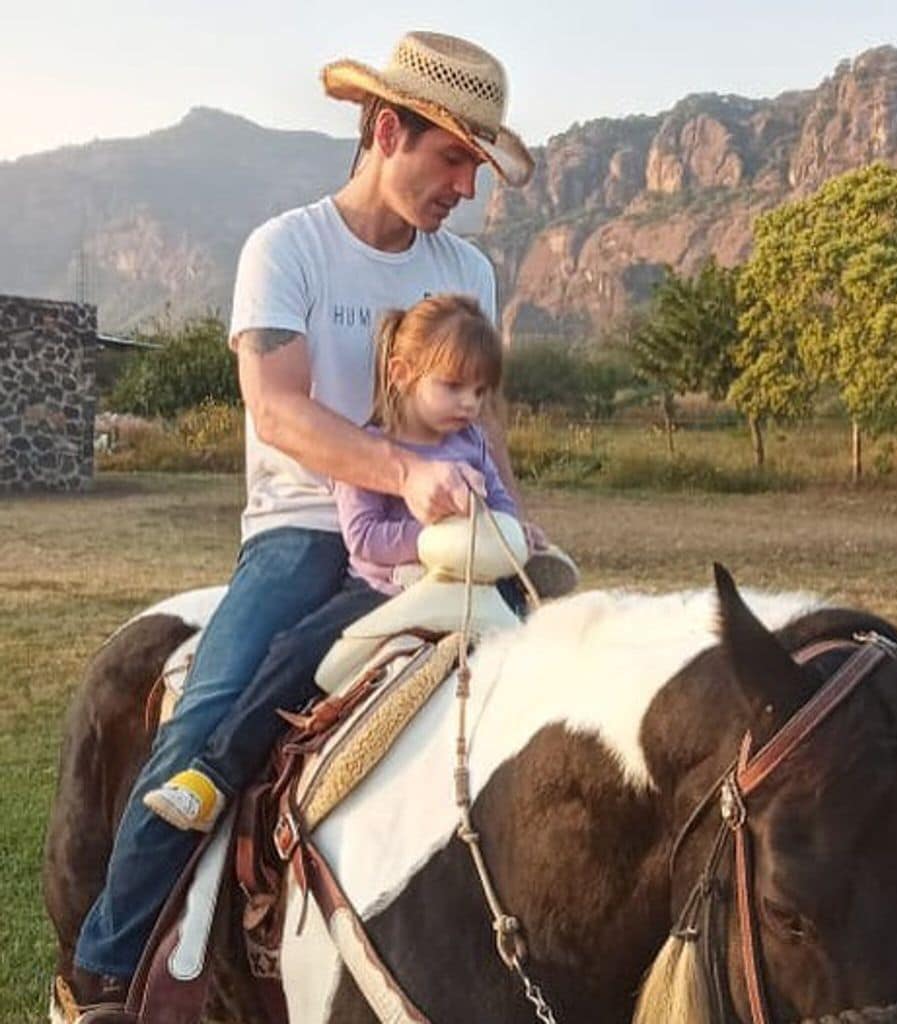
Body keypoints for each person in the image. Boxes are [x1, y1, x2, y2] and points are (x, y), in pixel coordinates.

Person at [69, 30, 536, 1010]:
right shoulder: (289, 249)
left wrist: (510, 528)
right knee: (208, 715)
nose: (467, 185)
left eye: (476, 164)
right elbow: (278, 410)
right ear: (383, 129)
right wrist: (405, 473)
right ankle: (107, 968)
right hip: (304, 526)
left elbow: (483, 420)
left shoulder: (467, 273)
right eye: (452, 156)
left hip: (449, 528)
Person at [142, 294, 521, 833]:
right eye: (454, 386)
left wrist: (513, 531)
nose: (469, 403)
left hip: (468, 586)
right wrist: (434, 540)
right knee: (291, 654)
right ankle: (213, 775)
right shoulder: (368, 450)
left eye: (480, 391)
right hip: (383, 590)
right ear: (402, 373)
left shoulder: (473, 444)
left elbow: (501, 502)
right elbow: (365, 539)